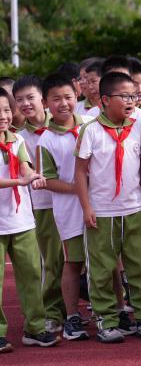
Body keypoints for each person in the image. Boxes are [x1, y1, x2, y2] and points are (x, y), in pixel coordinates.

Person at [75, 72, 141, 343]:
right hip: (102, 212)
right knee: (101, 269)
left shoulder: (139, 126)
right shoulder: (90, 130)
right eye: (123, 96)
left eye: (134, 95)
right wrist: (86, 206)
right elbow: (80, 173)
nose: (131, 100)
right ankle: (106, 320)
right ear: (104, 100)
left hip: (135, 208)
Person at [0, 87, 57, 352]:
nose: (3, 115)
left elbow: (25, 165)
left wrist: (32, 175)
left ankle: (35, 328)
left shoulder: (16, 140)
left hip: (22, 220)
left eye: (6, 110)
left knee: (32, 275)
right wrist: (19, 180)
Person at [38, 74, 92, 341]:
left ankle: (118, 310)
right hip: (70, 209)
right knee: (73, 261)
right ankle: (72, 316)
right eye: (56, 99)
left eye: (68, 97)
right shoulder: (45, 140)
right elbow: (47, 179)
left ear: (77, 95)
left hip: (100, 204)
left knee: (110, 261)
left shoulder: (91, 126)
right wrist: (77, 188)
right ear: (46, 102)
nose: (63, 103)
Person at [13, 76, 66, 333]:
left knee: (76, 258)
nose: (25, 103)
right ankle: (52, 312)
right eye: (19, 100)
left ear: (43, 101)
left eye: (30, 98)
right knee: (51, 260)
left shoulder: (64, 126)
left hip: (71, 200)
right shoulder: (19, 137)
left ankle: (77, 308)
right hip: (43, 204)